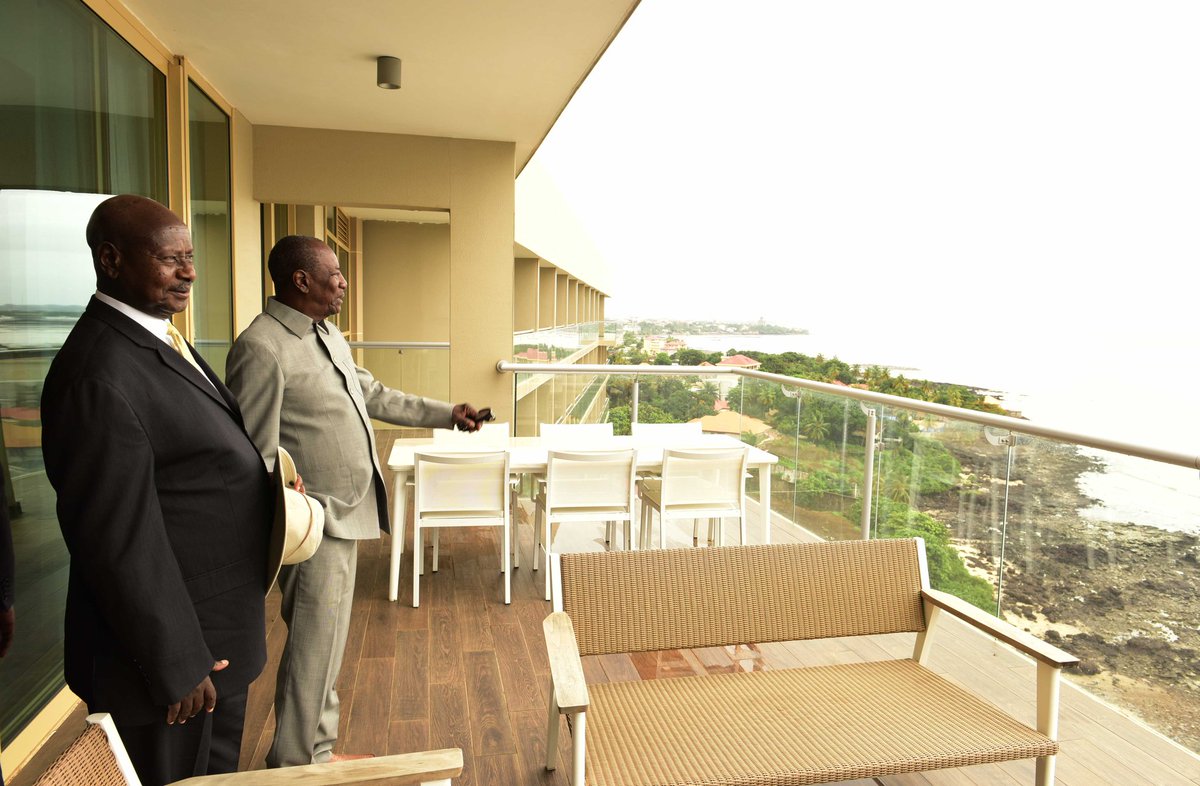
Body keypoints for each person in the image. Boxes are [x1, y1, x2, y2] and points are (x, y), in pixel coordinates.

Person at [40, 196, 275, 786]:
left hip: (215, 640)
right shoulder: (97, 373)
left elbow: (188, 466)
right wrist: (176, 662)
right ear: (111, 260)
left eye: (190, 257)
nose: (189, 272)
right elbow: (114, 538)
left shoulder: (155, 337)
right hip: (169, 673)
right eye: (171, 259)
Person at [226, 235, 486, 767]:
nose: (343, 283)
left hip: (347, 511)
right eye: (335, 274)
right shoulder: (261, 346)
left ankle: (318, 752)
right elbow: (251, 451)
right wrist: (284, 490)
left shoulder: (326, 334)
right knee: (312, 652)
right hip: (314, 523)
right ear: (301, 280)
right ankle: (296, 765)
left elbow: (373, 393)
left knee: (327, 648)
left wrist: (446, 413)